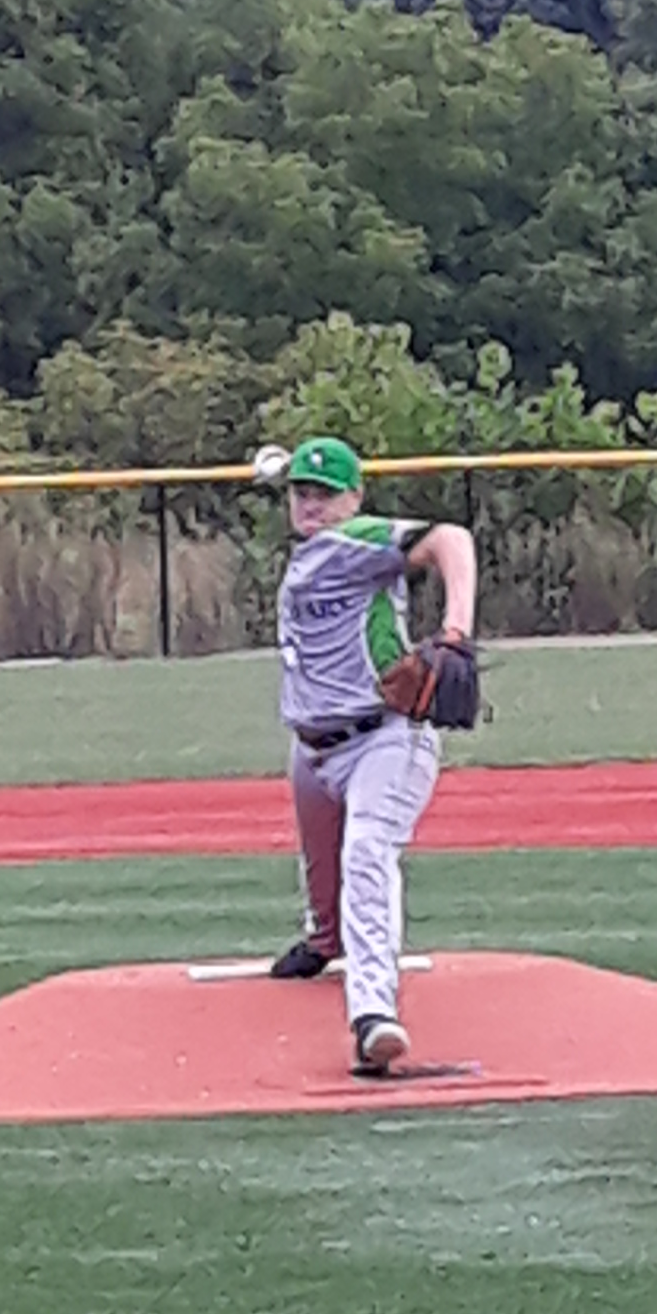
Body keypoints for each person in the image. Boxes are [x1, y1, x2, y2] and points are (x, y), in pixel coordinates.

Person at [267, 434, 477, 1075]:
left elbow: (450, 539)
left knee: (366, 853)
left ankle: (373, 1016)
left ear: (354, 498)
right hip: (314, 745)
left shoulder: (357, 538)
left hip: (383, 739)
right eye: (302, 492)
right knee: (321, 863)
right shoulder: (310, 554)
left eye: (326, 493)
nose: (312, 504)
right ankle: (325, 939)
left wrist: (456, 631)